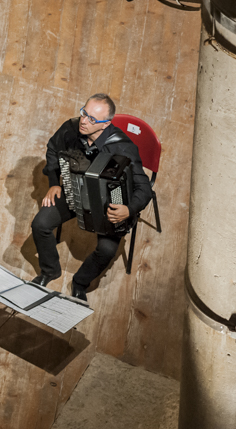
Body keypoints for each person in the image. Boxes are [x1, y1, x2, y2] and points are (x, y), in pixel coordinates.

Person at [31, 94, 152, 302]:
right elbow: (53, 149)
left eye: (92, 119)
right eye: (84, 113)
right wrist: (53, 182)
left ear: (106, 124)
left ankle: (80, 283)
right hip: (74, 191)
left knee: (106, 250)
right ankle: (50, 271)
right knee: (40, 224)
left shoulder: (122, 148)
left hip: (107, 202)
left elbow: (144, 188)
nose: (84, 121)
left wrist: (128, 210)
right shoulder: (71, 129)